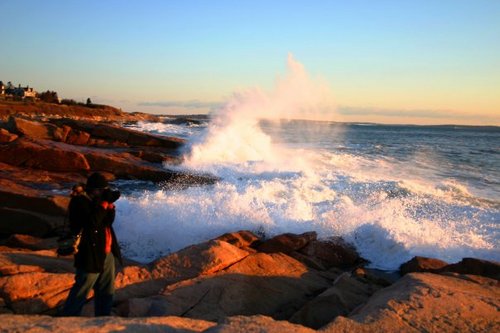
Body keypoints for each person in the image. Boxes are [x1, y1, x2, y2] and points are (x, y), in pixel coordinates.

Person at [62, 172, 122, 316]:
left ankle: (103, 319)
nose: (103, 193)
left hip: (106, 252)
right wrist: (103, 204)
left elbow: (107, 222)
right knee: (82, 289)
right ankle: (68, 319)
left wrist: (110, 206)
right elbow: (92, 223)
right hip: (89, 253)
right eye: (101, 190)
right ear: (92, 189)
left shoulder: (98, 202)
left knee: (107, 290)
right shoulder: (79, 202)